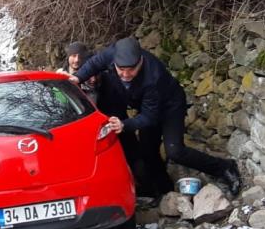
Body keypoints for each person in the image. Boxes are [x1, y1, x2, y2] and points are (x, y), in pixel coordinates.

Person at [70, 36, 242, 199]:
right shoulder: (114, 53)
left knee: (175, 151)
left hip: (169, 106)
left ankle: (224, 167)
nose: (125, 75)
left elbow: (149, 116)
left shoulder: (154, 76)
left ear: (140, 62)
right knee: (147, 150)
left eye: (131, 70)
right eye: (121, 69)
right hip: (145, 106)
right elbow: (94, 63)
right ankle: (164, 190)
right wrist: (77, 77)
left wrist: (124, 124)